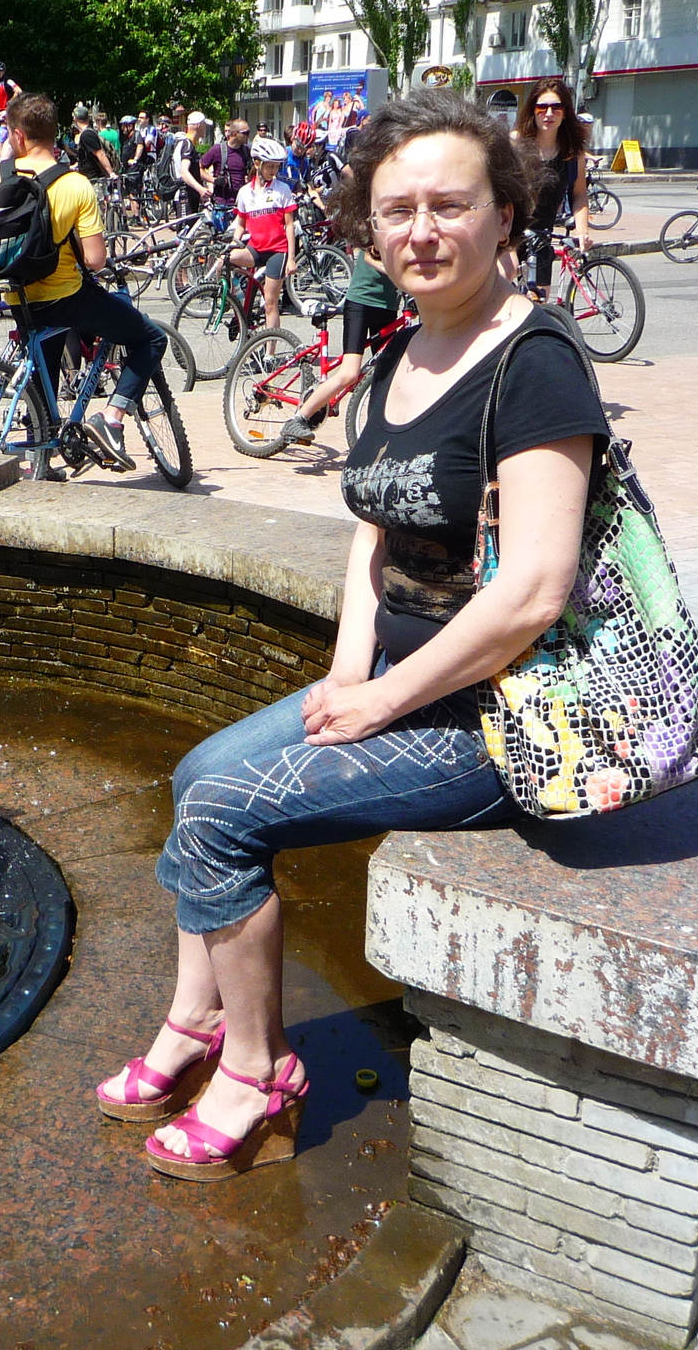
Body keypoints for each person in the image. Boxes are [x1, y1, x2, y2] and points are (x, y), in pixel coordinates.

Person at [105, 87, 604, 1180]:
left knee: (226, 814)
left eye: (448, 205)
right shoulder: (398, 352)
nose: (421, 231)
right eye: (396, 211)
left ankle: (257, 1070)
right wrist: (345, 671)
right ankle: (197, 1014)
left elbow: (532, 590)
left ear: (503, 213)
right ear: (368, 228)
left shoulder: (534, 359)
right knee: (197, 774)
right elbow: (371, 535)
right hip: (396, 678)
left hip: (500, 716)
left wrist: (379, 700)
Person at [0, 93, 167, 471]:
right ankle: (110, 420)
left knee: (42, 374)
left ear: (18, 135)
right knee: (150, 338)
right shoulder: (75, 184)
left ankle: (42, 460)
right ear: (54, 133)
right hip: (63, 296)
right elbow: (95, 260)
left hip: (17, 297)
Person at [281, 252, 401, 447]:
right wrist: (401, 277)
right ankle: (299, 418)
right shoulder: (379, 233)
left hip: (388, 307)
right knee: (350, 373)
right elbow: (369, 257)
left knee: (386, 373)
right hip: (361, 303)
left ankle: (374, 429)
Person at [512, 76, 591, 297]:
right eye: (542, 107)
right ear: (532, 110)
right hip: (510, 235)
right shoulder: (516, 143)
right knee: (502, 299)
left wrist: (582, 232)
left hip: (542, 237)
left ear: (565, 112)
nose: (549, 114)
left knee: (539, 302)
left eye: (556, 107)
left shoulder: (572, 152)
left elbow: (579, 193)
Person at [228, 136, 297, 336]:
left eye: (277, 167)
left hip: (278, 251)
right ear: (257, 164)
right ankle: (236, 301)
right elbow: (241, 225)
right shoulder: (244, 192)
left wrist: (291, 258)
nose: (274, 171)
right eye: (270, 167)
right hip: (255, 248)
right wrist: (233, 244)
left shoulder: (282, 189)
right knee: (223, 261)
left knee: (270, 303)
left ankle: (270, 350)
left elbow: (290, 225)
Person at [202, 120, 251, 213]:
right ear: (235, 134)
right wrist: (214, 180)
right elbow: (199, 169)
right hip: (222, 204)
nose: (248, 135)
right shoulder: (217, 150)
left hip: (241, 203)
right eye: (245, 133)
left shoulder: (246, 151)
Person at [71, 104, 113, 180]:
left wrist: (111, 173)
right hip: (88, 178)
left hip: (94, 180)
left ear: (75, 119)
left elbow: (100, 154)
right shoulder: (87, 133)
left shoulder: (87, 135)